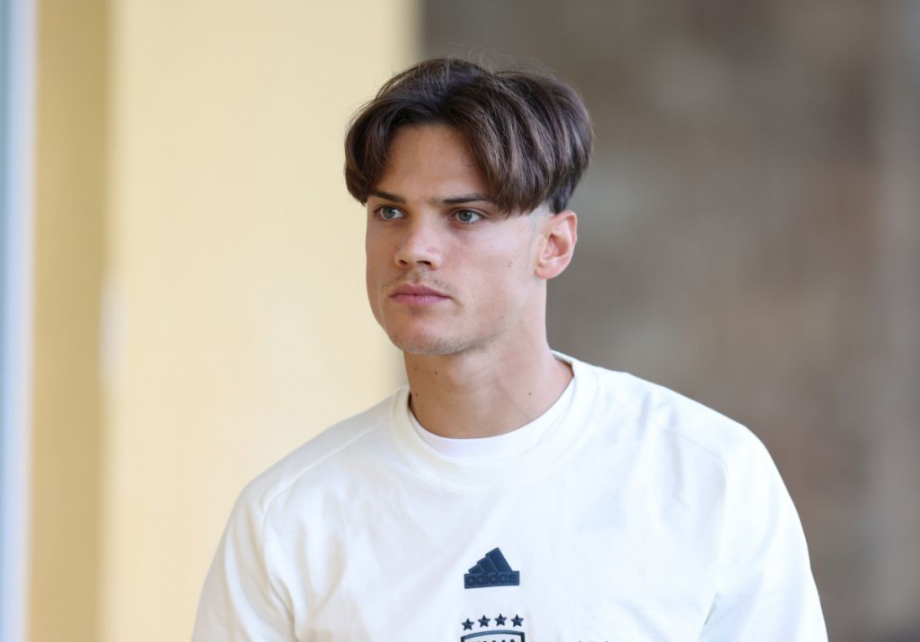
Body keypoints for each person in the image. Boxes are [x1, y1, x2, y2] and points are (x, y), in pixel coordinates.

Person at [192, 58, 827, 641]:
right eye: (389, 213)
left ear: (553, 246)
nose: (413, 249)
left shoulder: (706, 475)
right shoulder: (289, 517)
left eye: (464, 215)